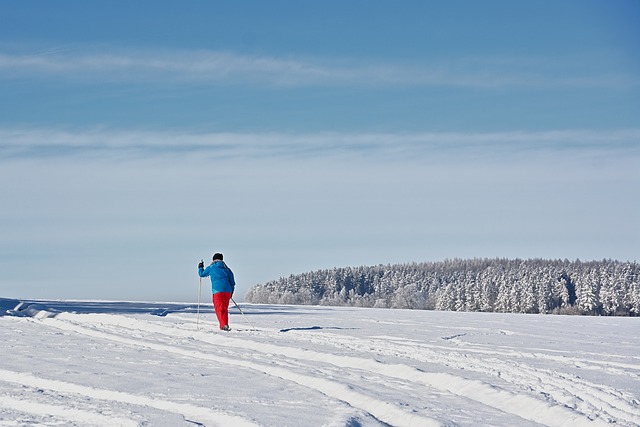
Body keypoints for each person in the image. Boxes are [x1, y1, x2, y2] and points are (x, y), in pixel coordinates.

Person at [198, 253, 236, 331]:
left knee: (219, 308)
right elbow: (232, 282)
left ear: (214, 260)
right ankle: (224, 324)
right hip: (227, 291)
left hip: (217, 291)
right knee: (224, 308)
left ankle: (223, 325)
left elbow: (201, 274)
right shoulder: (227, 269)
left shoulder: (212, 267)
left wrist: (200, 267)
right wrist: (231, 292)